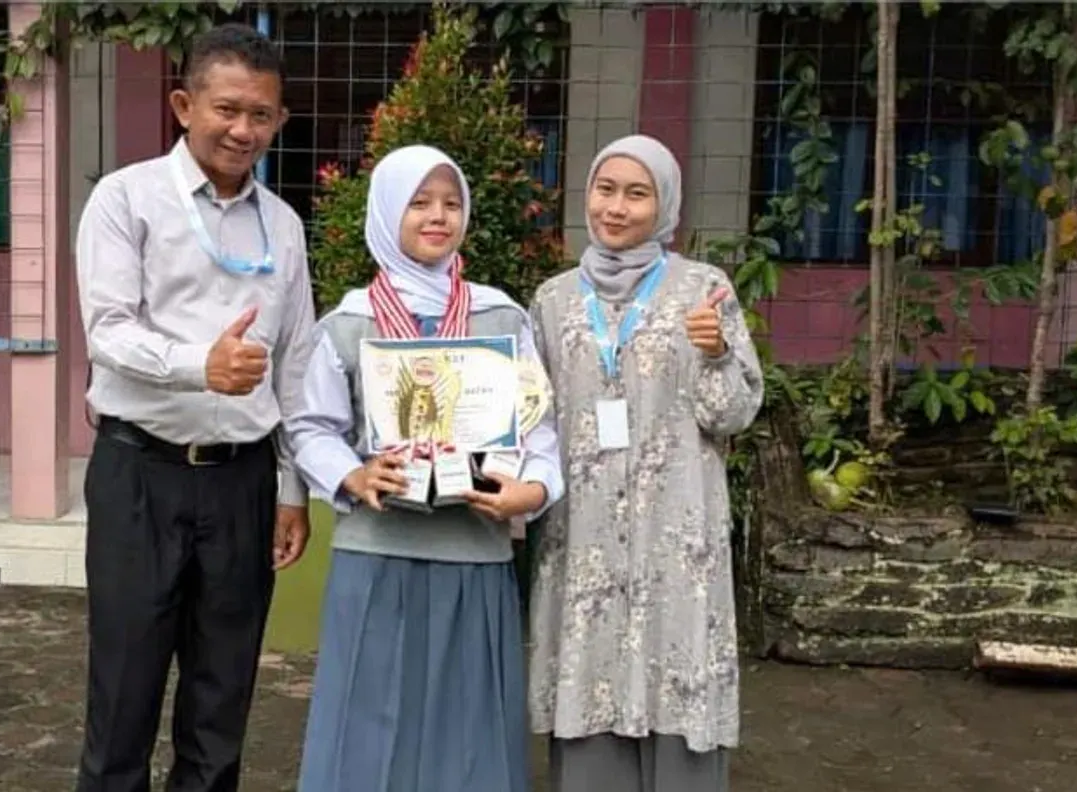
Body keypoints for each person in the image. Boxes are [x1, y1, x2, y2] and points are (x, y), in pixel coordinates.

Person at [73, 23, 314, 792]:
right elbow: (109, 331)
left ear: (279, 121)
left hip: (242, 483)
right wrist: (198, 367)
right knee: (123, 694)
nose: (244, 131)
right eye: (227, 109)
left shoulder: (283, 226)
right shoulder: (126, 200)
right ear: (184, 105)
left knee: (222, 700)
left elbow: (297, 363)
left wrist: (292, 488)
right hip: (140, 474)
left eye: (262, 115)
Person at [289, 144, 564, 792]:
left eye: (450, 203)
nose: (438, 216)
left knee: (467, 732)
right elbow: (310, 427)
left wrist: (532, 490)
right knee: (366, 726)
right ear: (387, 212)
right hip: (376, 553)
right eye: (419, 202)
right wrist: (353, 476)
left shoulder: (500, 317)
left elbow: (539, 425)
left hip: (474, 553)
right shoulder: (349, 323)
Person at [527, 134, 765, 791]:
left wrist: (717, 352)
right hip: (586, 535)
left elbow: (732, 414)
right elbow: (530, 417)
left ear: (664, 206)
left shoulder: (703, 290)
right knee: (591, 688)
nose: (616, 207)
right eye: (606, 190)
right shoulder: (552, 300)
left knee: (676, 677)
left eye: (637, 194)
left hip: (674, 537)